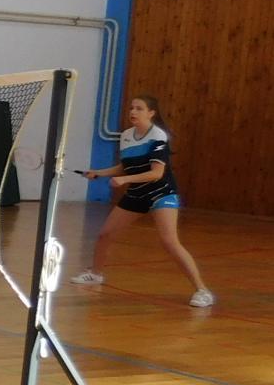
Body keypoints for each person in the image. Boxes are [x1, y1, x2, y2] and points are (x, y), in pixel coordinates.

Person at [70, 95, 213, 307]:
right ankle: (96, 274)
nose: (133, 112)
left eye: (139, 108)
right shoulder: (126, 135)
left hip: (161, 193)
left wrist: (125, 180)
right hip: (137, 193)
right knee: (105, 234)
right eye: (131, 108)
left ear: (151, 113)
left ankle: (202, 291)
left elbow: (156, 173)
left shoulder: (158, 136)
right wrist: (99, 172)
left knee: (169, 241)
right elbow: (125, 166)